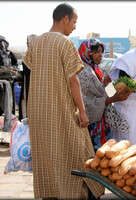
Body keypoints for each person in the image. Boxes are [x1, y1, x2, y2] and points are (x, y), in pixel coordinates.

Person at [23, 3, 104, 199]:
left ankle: (50, 193)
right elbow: (73, 80)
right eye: (74, 22)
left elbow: (28, 75)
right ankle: (73, 194)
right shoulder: (65, 43)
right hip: (61, 111)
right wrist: (82, 112)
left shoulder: (35, 43)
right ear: (65, 19)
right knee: (76, 154)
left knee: (47, 156)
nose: (75, 27)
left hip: (39, 113)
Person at [77, 39, 131, 151]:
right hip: (92, 123)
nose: (101, 55)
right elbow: (85, 101)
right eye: (97, 52)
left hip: (101, 120)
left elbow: (94, 91)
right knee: (95, 154)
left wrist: (103, 83)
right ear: (87, 53)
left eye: (102, 52)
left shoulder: (94, 69)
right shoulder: (84, 72)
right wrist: (111, 99)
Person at [19, 34, 38, 120]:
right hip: (28, 87)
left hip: (32, 88)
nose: (27, 43)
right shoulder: (30, 56)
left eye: (28, 42)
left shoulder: (34, 57)